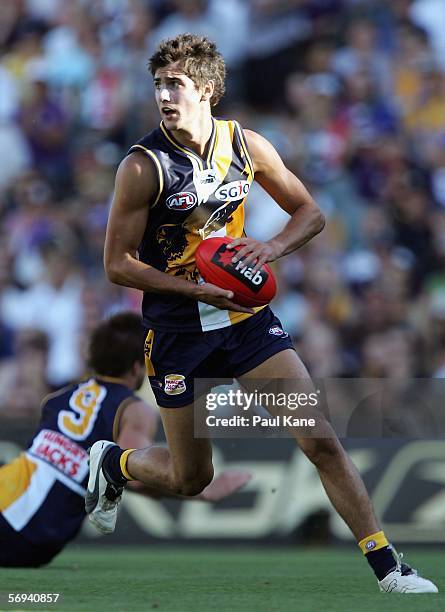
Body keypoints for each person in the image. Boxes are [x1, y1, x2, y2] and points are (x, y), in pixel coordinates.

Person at [88, 34, 437, 594]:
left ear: (206, 90)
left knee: (320, 438)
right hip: (177, 331)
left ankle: (389, 566)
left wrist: (269, 248)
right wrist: (194, 292)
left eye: (175, 84)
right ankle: (115, 464)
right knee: (189, 477)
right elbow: (116, 264)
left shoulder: (246, 146)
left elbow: (310, 212)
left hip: (245, 320)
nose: (163, 95)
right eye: (158, 84)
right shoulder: (142, 166)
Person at [0, 311, 251, 568]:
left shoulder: (56, 399)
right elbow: (137, 478)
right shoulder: (133, 409)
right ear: (136, 366)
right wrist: (202, 492)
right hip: (28, 533)